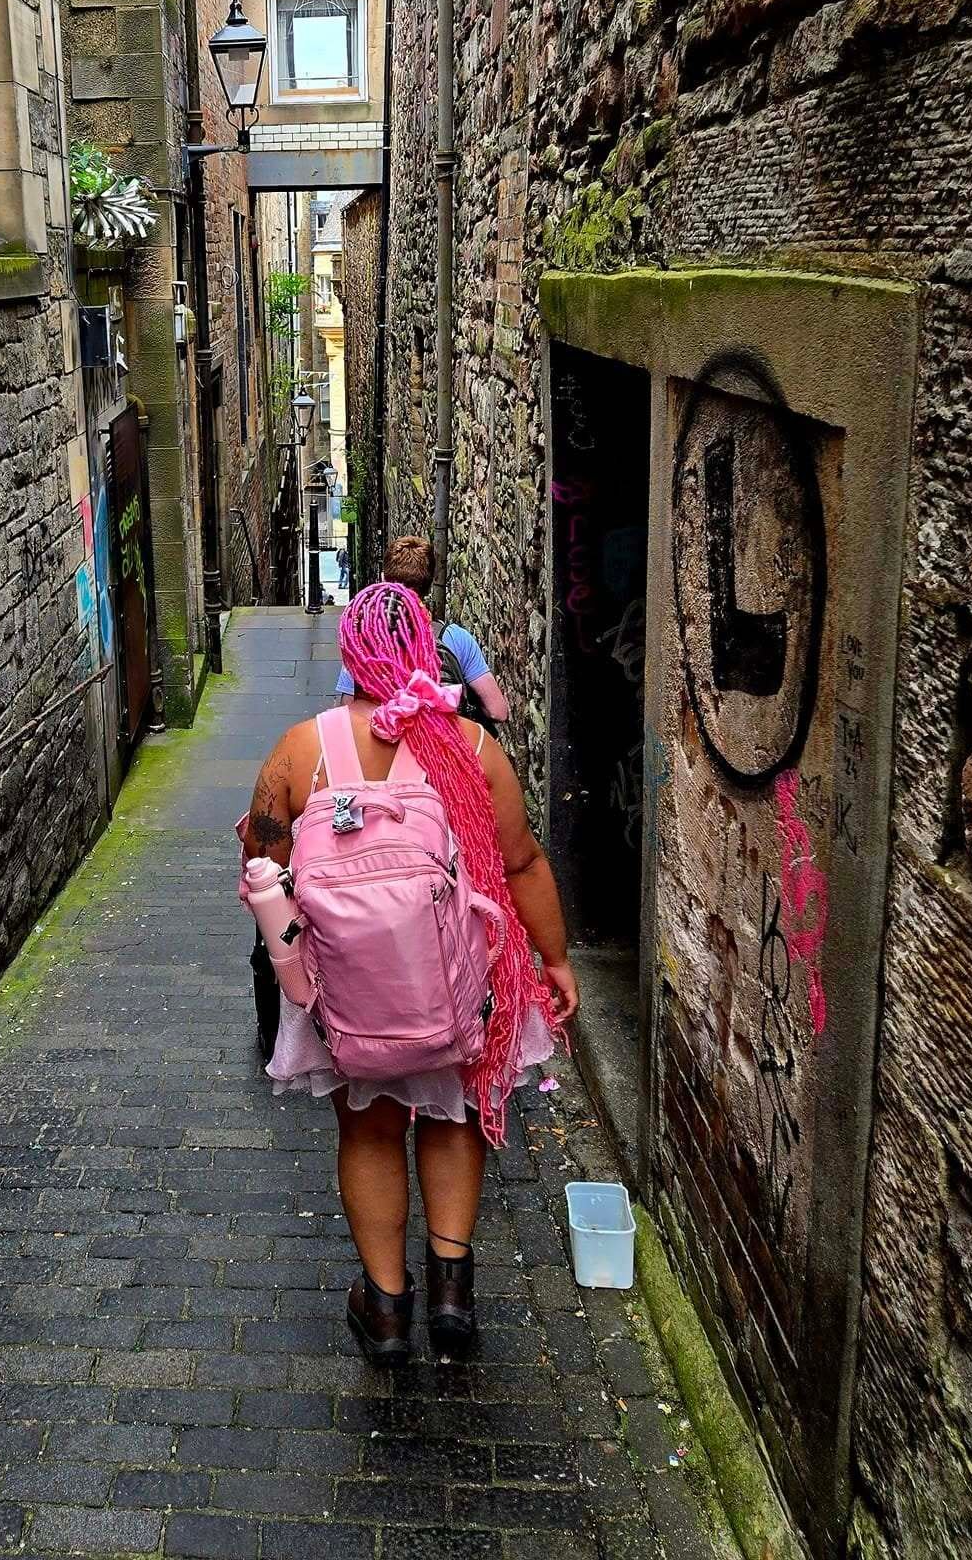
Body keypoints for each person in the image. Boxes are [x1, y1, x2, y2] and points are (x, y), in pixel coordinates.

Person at [244, 580, 578, 1364]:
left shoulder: (301, 748)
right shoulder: (469, 748)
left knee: (367, 1128)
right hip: (455, 987)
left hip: (347, 997)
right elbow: (522, 863)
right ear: (425, 649)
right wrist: (554, 959)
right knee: (455, 1113)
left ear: (351, 656)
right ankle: (453, 1289)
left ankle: (388, 1307)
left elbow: (262, 865)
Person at [334, 536, 510, 726]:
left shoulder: (364, 640)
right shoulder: (456, 638)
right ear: (431, 581)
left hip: (384, 750)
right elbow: (497, 712)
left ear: (383, 579)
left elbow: (347, 709)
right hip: (442, 749)